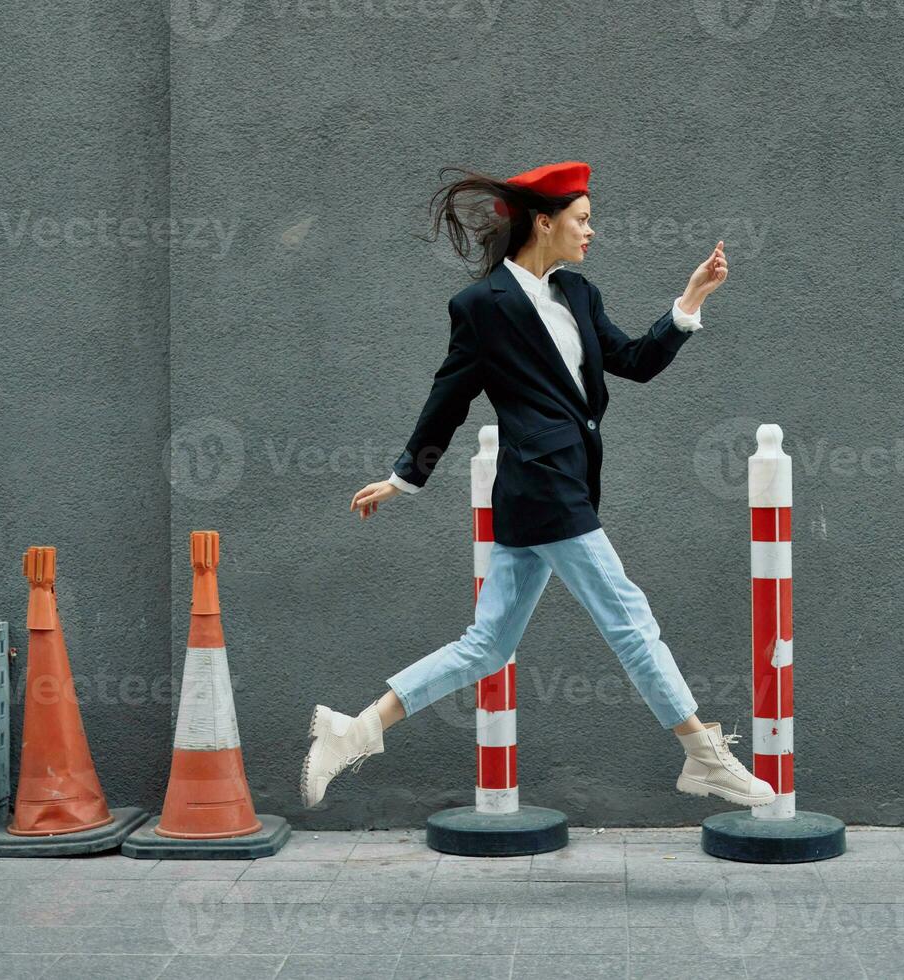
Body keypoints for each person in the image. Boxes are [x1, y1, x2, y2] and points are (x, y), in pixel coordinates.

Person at [301, 160, 775, 811]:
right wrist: (403, 477)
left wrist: (690, 300)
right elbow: (450, 396)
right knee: (632, 622)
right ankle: (703, 754)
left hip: (546, 496)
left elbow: (634, 361)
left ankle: (352, 731)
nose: (591, 231)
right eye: (582, 219)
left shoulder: (578, 294)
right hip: (545, 489)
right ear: (543, 222)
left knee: (487, 645)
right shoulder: (480, 307)